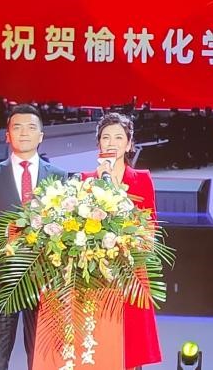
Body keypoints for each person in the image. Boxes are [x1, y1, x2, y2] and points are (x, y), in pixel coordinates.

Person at [0, 105, 66, 370]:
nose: (24, 133)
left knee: (41, 353)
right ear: (7, 135)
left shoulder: (59, 176)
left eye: (31, 128)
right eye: (17, 127)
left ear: (41, 136)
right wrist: (6, 230)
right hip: (1, 278)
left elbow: (67, 224)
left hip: (44, 277)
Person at [82, 112, 162, 370]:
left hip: (130, 271)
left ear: (129, 144)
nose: (111, 143)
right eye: (106, 137)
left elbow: (149, 225)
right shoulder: (86, 180)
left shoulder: (142, 178)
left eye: (118, 137)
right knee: (99, 347)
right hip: (96, 273)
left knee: (131, 348)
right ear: (99, 144)